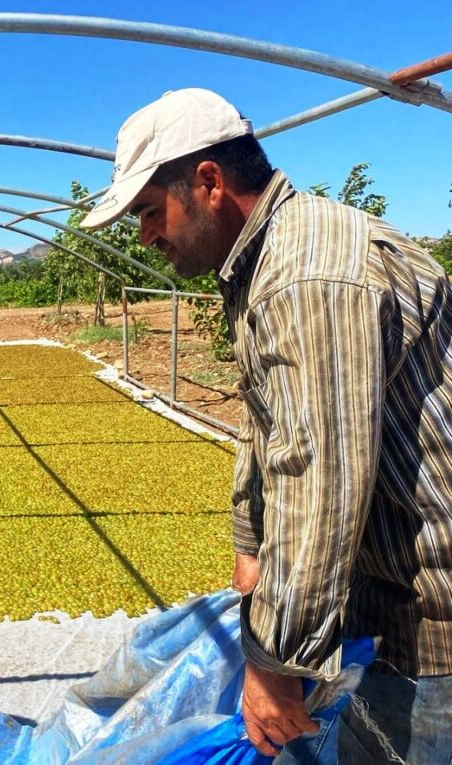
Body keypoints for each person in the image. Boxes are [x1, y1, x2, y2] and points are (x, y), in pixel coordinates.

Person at [81, 88, 452, 762]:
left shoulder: (306, 275)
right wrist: (250, 541)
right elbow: (269, 425)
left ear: (209, 182)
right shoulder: (263, 263)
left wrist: (276, 659)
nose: (145, 236)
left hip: (433, 618)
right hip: (380, 599)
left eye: (147, 212)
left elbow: (321, 477)